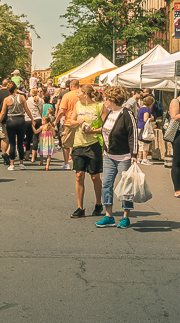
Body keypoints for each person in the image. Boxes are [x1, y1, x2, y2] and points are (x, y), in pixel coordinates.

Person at [96, 86, 138, 229]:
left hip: (124, 156)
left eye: (106, 99)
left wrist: (134, 155)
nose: (104, 101)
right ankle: (108, 216)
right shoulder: (110, 113)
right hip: (109, 156)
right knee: (106, 184)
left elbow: (133, 135)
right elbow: (106, 132)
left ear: (113, 100)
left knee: (125, 186)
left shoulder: (127, 114)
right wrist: (105, 149)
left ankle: (126, 217)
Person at [66, 83, 104, 218]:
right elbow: (71, 121)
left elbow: (106, 127)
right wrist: (78, 122)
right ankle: (80, 208)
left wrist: (93, 131)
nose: (77, 94)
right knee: (79, 175)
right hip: (78, 144)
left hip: (94, 144)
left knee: (95, 177)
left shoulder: (99, 106)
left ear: (85, 94)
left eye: (79, 92)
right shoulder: (78, 105)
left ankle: (99, 203)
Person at [0, 81, 27, 170]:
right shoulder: (22, 97)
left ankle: (12, 164)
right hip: (20, 120)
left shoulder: (7, 99)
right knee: (20, 142)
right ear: (16, 89)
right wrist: (32, 119)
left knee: (11, 142)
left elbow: (3, 112)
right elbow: (26, 109)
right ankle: (21, 163)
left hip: (11, 120)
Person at [57, 78, 81, 170]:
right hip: (81, 121)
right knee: (78, 144)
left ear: (71, 86)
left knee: (66, 144)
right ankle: (77, 163)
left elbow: (62, 110)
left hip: (69, 122)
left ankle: (67, 163)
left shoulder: (67, 96)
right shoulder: (83, 95)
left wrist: (56, 121)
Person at [135, 96, 153, 165]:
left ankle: (139, 158)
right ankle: (145, 159)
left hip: (139, 126)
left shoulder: (140, 109)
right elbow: (145, 119)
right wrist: (151, 118)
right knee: (145, 143)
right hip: (144, 128)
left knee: (140, 144)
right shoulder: (146, 110)